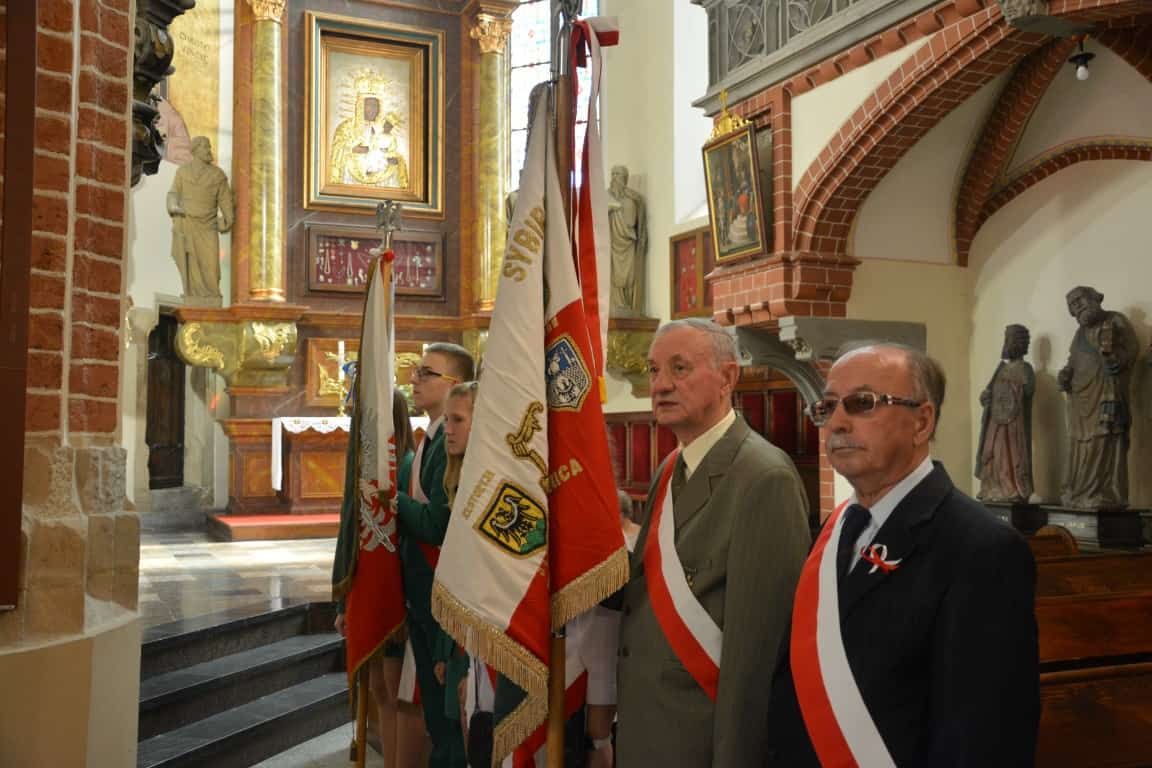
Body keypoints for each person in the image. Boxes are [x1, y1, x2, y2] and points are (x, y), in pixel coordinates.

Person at [763, 343, 1040, 767]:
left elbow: (982, 738)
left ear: (922, 421)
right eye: (828, 407)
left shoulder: (982, 549)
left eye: (862, 403)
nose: (836, 422)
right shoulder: (834, 531)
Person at [615, 318, 811, 768]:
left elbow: (755, 658)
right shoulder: (670, 467)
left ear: (727, 377)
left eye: (679, 368)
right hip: (648, 730)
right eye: (654, 370)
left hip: (700, 742)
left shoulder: (764, 477)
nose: (660, 385)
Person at [333, 390, 429, 767]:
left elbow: (409, 540)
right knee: (377, 689)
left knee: (393, 692)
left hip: (395, 598)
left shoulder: (404, 467)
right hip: (369, 597)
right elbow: (351, 539)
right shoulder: (364, 472)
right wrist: (345, 604)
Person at [395, 343, 476, 768]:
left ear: (455, 384)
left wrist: (390, 501)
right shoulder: (428, 439)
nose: (415, 379)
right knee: (435, 716)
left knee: (450, 721)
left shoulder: (452, 441)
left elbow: (438, 525)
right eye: (416, 371)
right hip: (423, 594)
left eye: (427, 373)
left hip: (444, 596)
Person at [1058, 286, 1138, 509]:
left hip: (1105, 393)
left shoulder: (1115, 320)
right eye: (1072, 305)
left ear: (1094, 298)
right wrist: (1065, 374)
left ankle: (1103, 493)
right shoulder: (1079, 334)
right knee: (1079, 446)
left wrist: (1116, 359)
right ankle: (1078, 493)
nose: (1077, 307)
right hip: (1080, 400)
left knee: (1104, 442)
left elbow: (1131, 349)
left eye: (1080, 300)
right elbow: (1073, 360)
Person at [166, 136, 233, 298]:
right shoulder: (183, 171)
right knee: (189, 263)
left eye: (209, 147)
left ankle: (211, 296)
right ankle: (192, 295)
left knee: (211, 266)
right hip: (186, 221)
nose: (209, 150)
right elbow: (173, 193)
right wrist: (173, 206)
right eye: (205, 147)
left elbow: (225, 199)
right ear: (195, 150)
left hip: (208, 226)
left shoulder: (217, 175)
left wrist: (228, 218)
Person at [976, 324, 1036, 503]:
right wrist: (985, 396)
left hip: (1013, 424)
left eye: (1010, 339)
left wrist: (1013, 389)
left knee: (1010, 455)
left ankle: (1012, 488)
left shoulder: (1025, 368)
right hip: (995, 423)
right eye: (1006, 339)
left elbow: (1028, 392)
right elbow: (989, 393)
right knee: (993, 454)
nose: (1007, 343)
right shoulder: (1001, 369)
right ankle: (993, 487)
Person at [607, 165, 648, 316]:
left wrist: (619, 207)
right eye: (612, 174)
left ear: (624, 178)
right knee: (614, 276)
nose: (614, 178)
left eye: (617, 174)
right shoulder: (605, 197)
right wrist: (611, 207)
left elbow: (632, 222)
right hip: (612, 245)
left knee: (630, 276)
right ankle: (617, 304)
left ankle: (629, 306)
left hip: (628, 242)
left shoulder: (632, 200)